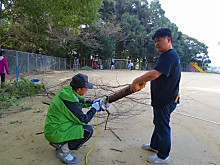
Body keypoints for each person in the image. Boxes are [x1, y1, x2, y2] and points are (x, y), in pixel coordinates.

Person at [130, 28, 181, 164]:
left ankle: (163, 156)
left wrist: (136, 81)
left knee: (162, 126)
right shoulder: (167, 55)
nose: (156, 44)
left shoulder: (170, 55)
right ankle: (155, 146)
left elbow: (154, 74)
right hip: (162, 99)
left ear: (168, 40)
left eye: (159, 40)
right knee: (158, 123)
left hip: (166, 100)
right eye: (155, 41)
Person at [44, 73, 102, 164]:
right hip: (55, 132)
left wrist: (92, 103)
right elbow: (84, 119)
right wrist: (94, 108)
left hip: (54, 127)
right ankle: (63, 151)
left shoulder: (68, 91)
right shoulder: (69, 100)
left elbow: (78, 102)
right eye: (85, 88)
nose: (87, 90)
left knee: (78, 125)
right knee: (87, 130)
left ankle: (59, 143)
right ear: (78, 89)